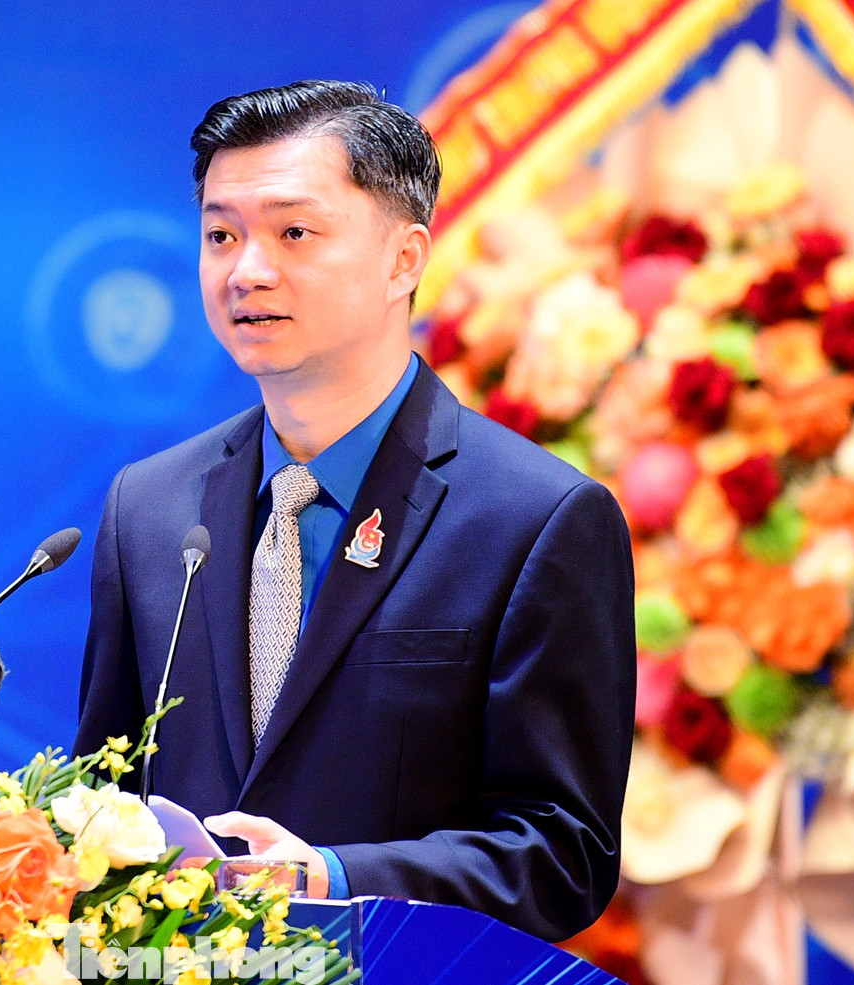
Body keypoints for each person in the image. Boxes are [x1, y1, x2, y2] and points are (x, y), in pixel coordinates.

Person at [72, 80, 636, 942]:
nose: (248, 270)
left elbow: (563, 852)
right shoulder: (148, 507)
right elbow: (99, 801)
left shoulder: (538, 518)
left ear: (403, 259)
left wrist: (333, 880)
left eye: (293, 233)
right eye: (222, 235)